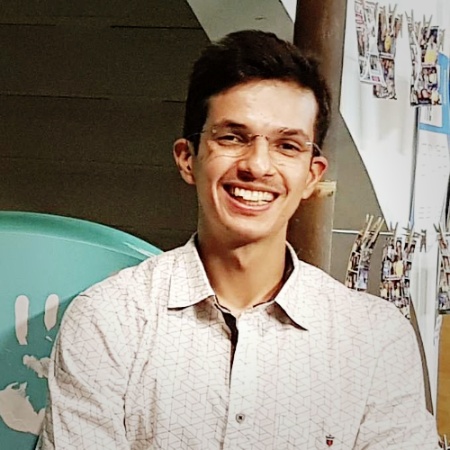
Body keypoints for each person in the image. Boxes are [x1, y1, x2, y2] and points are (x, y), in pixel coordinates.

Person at [37, 30, 439, 449]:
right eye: (232, 137)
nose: (258, 166)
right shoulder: (110, 319)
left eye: (287, 145)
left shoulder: (374, 339)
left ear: (311, 175)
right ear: (188, 158)